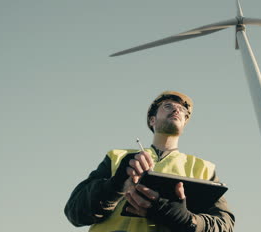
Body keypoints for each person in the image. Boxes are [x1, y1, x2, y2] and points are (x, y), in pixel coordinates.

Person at [64, 91, 235, 232]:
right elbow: (74, 212)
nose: (176, 110)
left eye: (182, 110)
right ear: (152, 120)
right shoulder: (117, 157)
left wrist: (187, 220)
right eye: (168, 106)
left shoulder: (204, 169)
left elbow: (224, 225)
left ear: (184, 124)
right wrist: (114, 186)